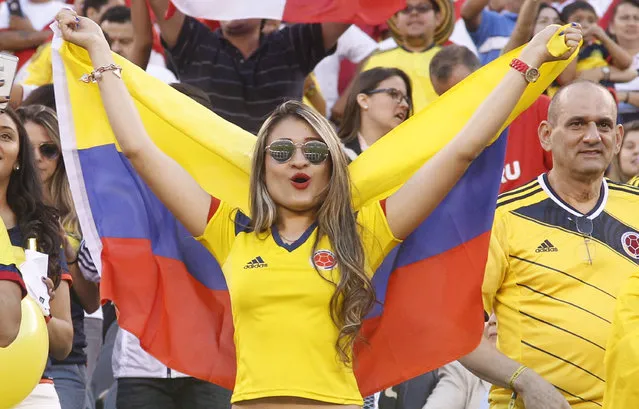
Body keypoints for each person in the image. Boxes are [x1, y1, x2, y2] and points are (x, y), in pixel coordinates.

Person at [56, 7, 581, 408]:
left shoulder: (365, 231)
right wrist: (103, 54)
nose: (298, 163)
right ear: (263, 166)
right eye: (281, 152)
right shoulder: (230, 232)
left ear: (334, 164)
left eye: (314, 151)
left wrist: (527, 60)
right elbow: (140, 150)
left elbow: (463, 147)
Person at [459, 80, 639, 409]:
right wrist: (523, 380)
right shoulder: (502, 217)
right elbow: (456, 331)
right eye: (576, 124)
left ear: (618, 138)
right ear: (545, 135)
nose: (592, 136)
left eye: (603, 125)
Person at [145, 0, 350, 134]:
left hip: (276, 168)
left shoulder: (294, 45)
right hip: (206, 171)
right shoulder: (194, 42)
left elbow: (349, 8)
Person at [19, 104, 101, 409]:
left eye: (49, 149)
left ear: (62, 156)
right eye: (29, 148)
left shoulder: (83, 214)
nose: (38, 158)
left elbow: (93, 301)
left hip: (64, 356)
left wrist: (66, 252)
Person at [0, 106, 73, 408]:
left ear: (19, 158)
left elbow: (64, 343)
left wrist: (40, 309)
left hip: (32, 391)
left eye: (5, 136)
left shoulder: (40, 228)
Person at [428, 45, 552, 192]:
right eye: (449, 99)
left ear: (484, 76)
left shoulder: (536, 108)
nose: (462, 103)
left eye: (466, 91)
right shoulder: (444, 141)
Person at [361, 0, 454, 112]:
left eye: (423, 8)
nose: (414, 13)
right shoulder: (377, 61)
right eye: (406, 9)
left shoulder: (453, 60)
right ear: (396, 20)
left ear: (438, 18)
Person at [338, 67, 412, 161]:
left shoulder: (410, 157)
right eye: (393, 94)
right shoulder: (336, 155)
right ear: (363, 100)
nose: (405, 105)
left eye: (406, 99)